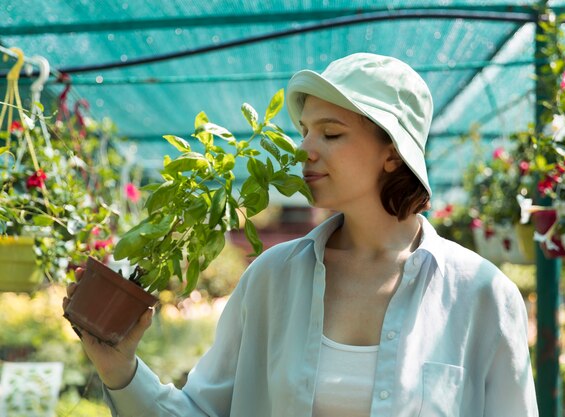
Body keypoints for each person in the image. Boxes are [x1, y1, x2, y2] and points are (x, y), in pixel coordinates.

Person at [64, 53, 538, 417]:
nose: (304, 149)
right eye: (305, 130)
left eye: (330, 134)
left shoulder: (483, 295)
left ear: (392, 153)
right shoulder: (271, 279)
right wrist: (119, 369)